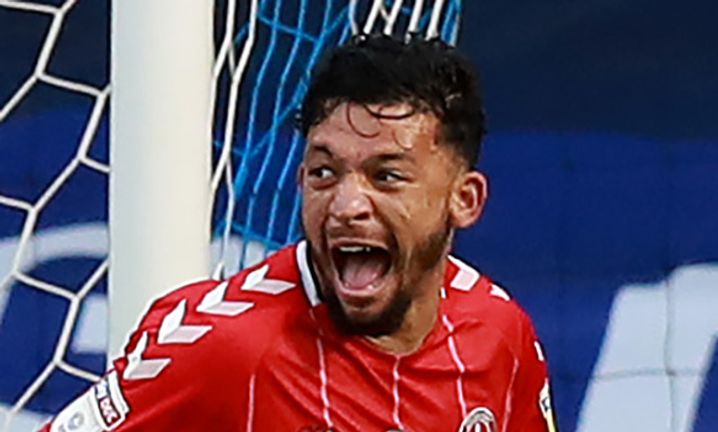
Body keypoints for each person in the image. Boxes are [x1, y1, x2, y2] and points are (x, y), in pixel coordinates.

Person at [41, 35, 557, 432]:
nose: (347, 205)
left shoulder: (498, 335)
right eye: (324, 173)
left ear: (463, 200)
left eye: (387, 176)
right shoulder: (224, 348)